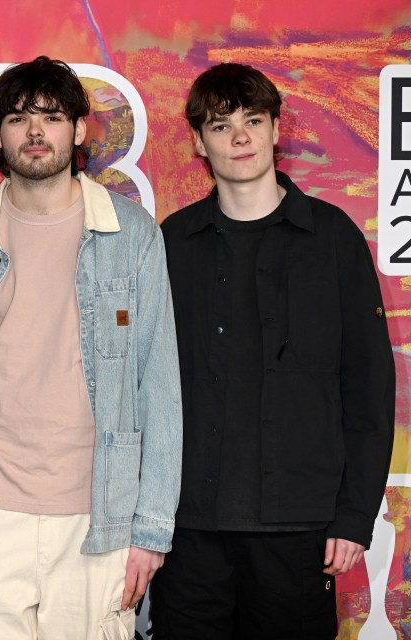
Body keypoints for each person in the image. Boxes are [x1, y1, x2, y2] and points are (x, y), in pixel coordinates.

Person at [0, 56, 182, 640]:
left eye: (51, 116)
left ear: (80, 130)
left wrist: (149, 530)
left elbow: (159, 384)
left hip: (98, 514)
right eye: (18, 118)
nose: (35, 131)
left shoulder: (132, 233)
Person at [150, 62, 395, 639]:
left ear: (275, 129)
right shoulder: (172, 244)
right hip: (190, 531)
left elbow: (368, 389)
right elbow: (143, 389)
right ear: (197, 142)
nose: (240, 137)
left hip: (300, 530)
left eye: (253, 120)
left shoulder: (334, 240)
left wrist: (355, 517)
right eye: (221, 125)